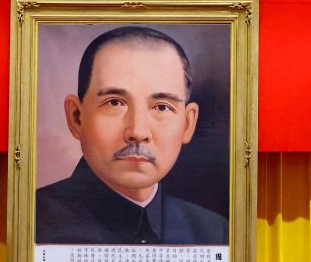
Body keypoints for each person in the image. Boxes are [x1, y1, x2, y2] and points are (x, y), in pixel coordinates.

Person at [35, 26, 228, 245]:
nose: (137, 132)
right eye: (114, 103)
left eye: (162, 107)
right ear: (76, 117)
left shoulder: (212, 231)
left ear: (187, 123)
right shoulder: (32, 220)